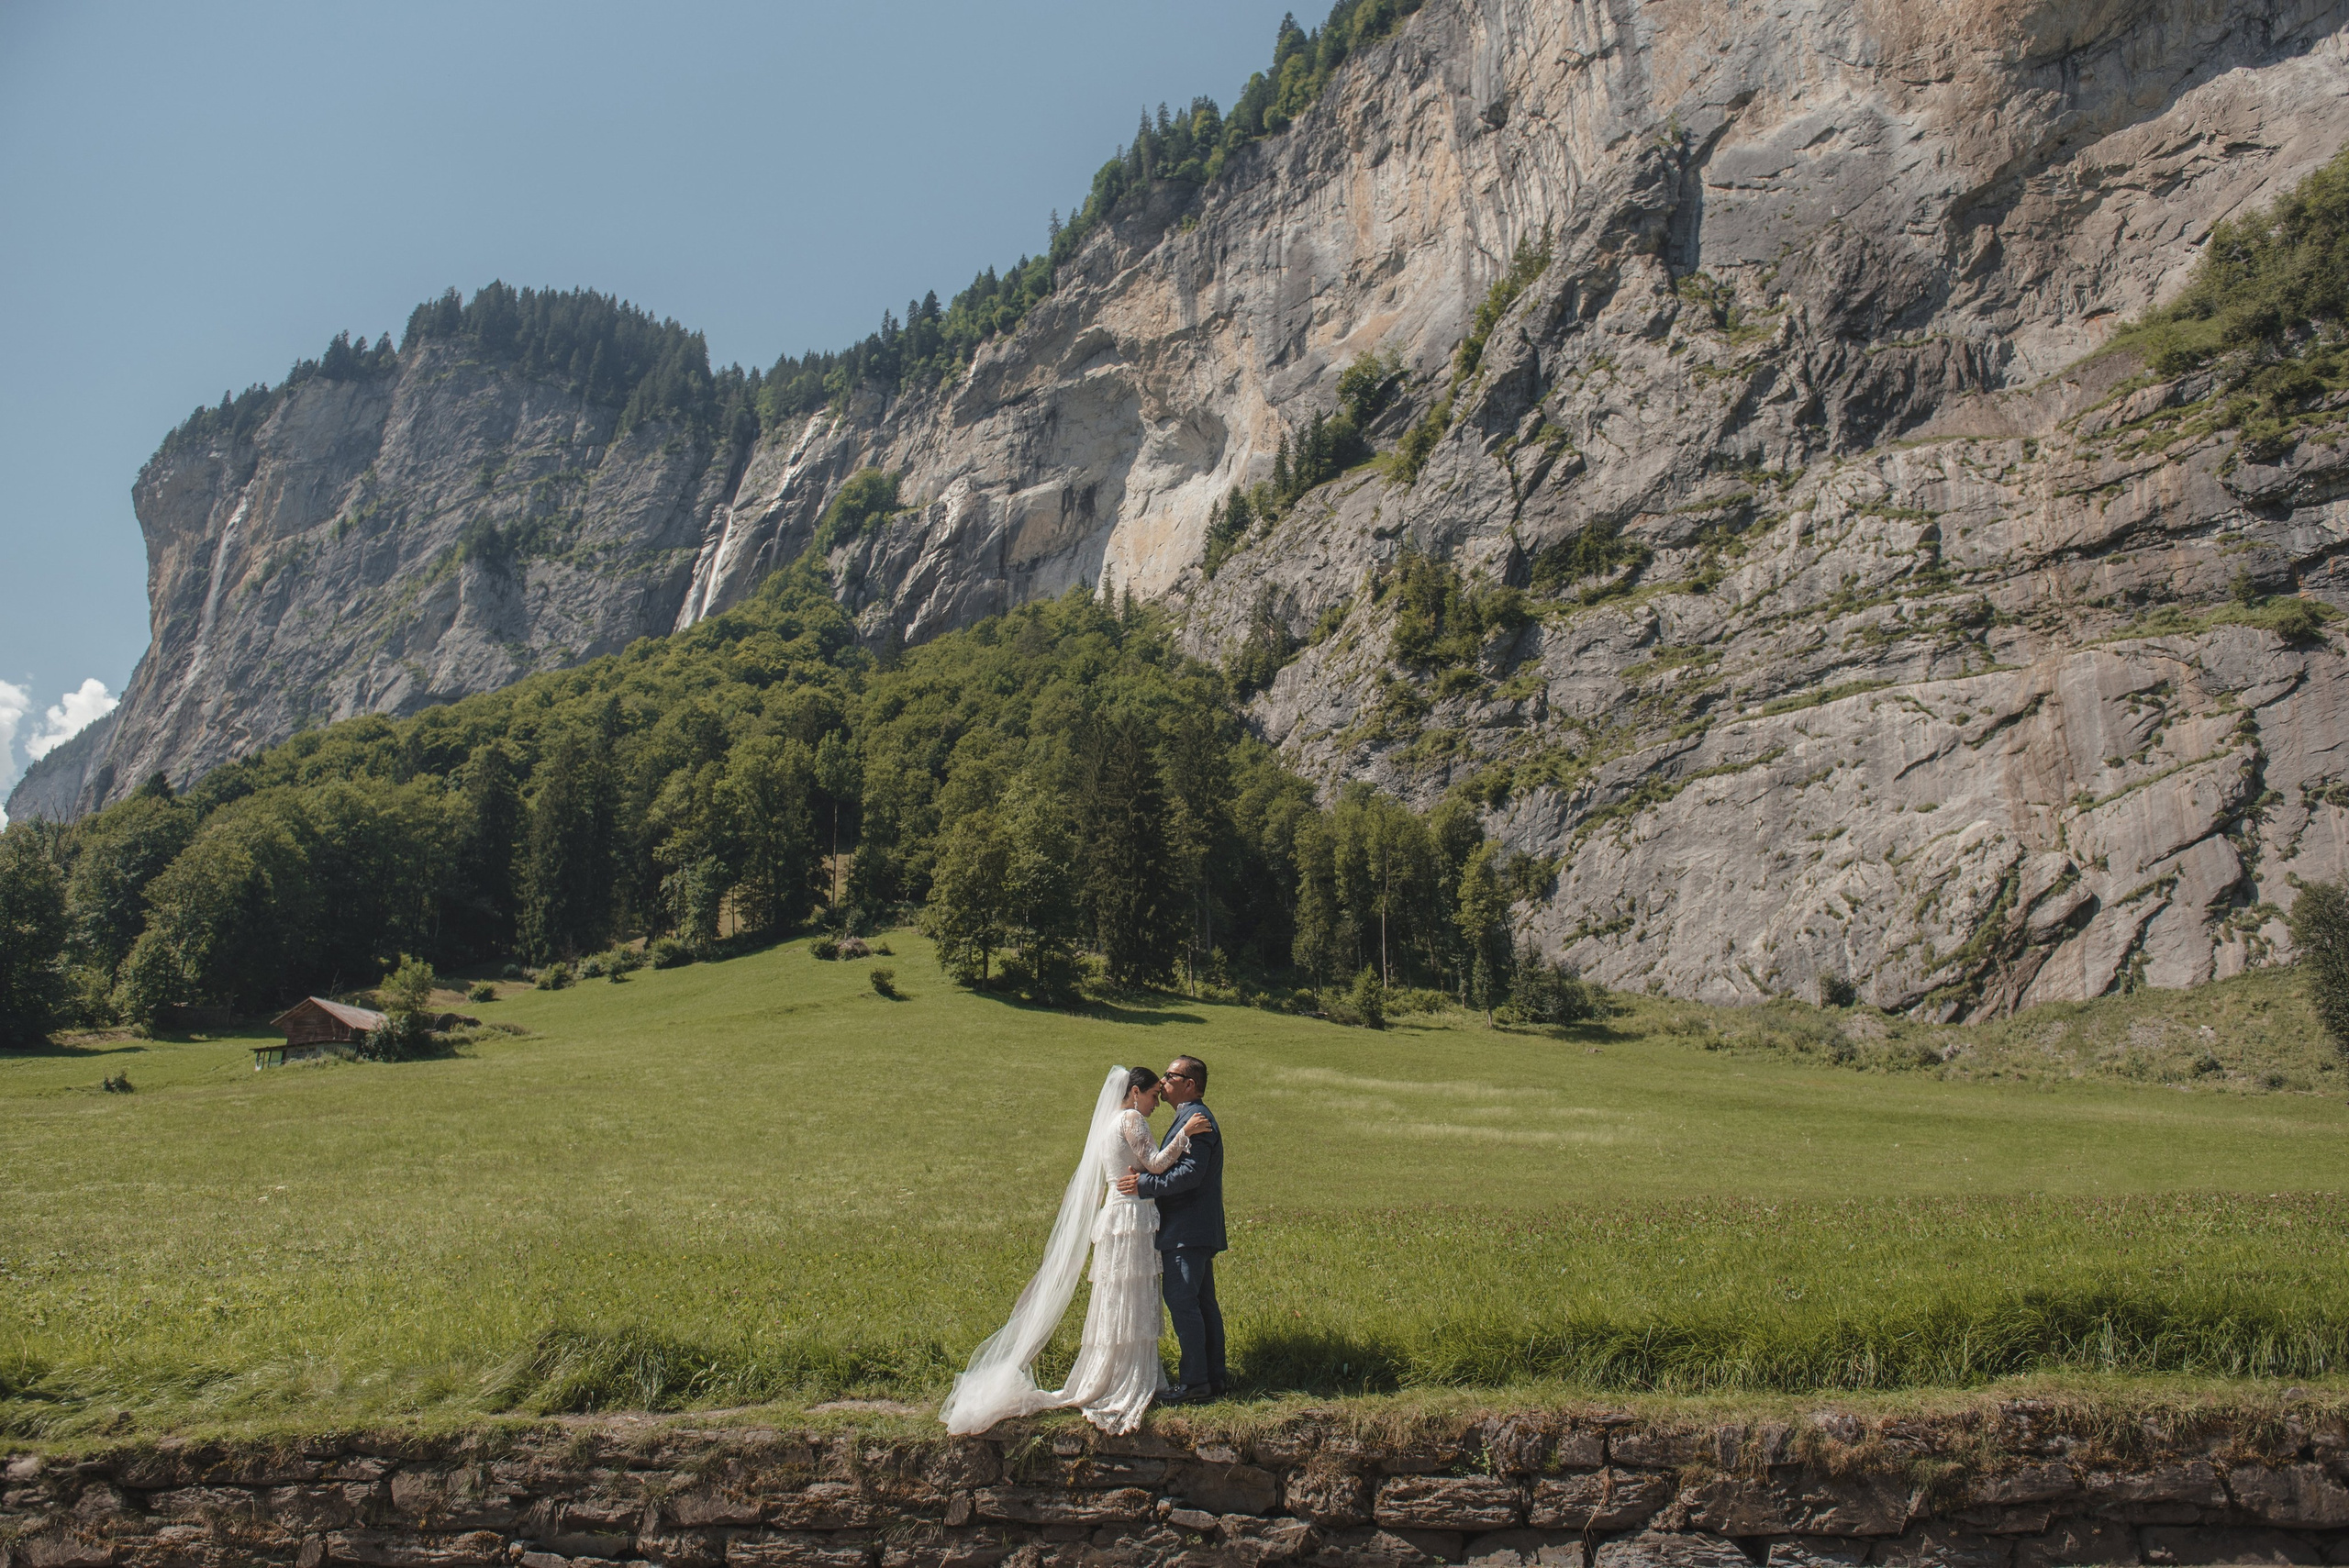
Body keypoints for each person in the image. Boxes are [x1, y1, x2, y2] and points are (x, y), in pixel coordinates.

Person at [940, 1065, 1211, 1434]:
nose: (1154, 1104)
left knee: (1119, 1295)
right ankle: (1127, 1374)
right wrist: (1183, 1136)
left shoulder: (1109, 1122)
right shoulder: (1131, 1118)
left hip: (1117, 1213)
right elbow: (1157, 1164)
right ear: (1135, 1092)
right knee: (1129, 1295)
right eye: (1151, 1097)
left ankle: (1116, 1367)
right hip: (1131, 1215)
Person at [1115, 1054, 1224, 1403]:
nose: (1162, 1082)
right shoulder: (1186, 1117)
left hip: (1187, 1229)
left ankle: (1195, 1384)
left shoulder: (1197, 1118)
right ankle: (1211, 1380)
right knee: (1202, 1304)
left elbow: (1190, 1175)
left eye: (1170, 1076)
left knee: (1182, 1302)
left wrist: (1143, 1185)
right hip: (1193, 1228)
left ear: (1189, 1084)